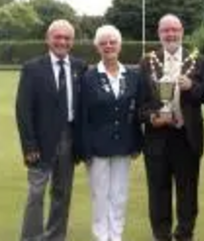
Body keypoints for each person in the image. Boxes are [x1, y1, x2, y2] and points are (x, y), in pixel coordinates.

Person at [15, 19, 86, 241]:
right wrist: (29, 146)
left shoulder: (79, 67)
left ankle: (55, 236)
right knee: (36, 194)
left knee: (62, 194)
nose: (62, 41)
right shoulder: (32, 68)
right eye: (58, 37)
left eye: (67, 38)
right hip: (40, 143)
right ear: (48, 39)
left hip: (69, 139)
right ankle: (31, 237)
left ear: (72, 42)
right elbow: (23, 110)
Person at [139, 14, 204, 241]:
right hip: (156, 136)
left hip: (187, 137)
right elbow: (140, 103)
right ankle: (161, 235)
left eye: (175, 29)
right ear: (159, 33)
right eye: (166, 30)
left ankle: (185, 234)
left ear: (182, 32)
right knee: (158, 191)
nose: (171, 34)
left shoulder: (197, 59)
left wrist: (192, 86)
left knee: (188, 192)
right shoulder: (147, 61)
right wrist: (152, 118)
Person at [79, 25, 143, 241]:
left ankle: (116, 236)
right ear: (97, 47)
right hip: (97, 147)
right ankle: (101, 236)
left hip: (124, 144)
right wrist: (84, 149)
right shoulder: (87, 77)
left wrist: (137, 143)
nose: (108, 46)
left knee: (119, 195)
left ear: (119, 45)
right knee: (100, 195)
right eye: (104, 43)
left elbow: (137, 113)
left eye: (112, 42)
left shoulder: (133, 76)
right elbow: (83, 116)